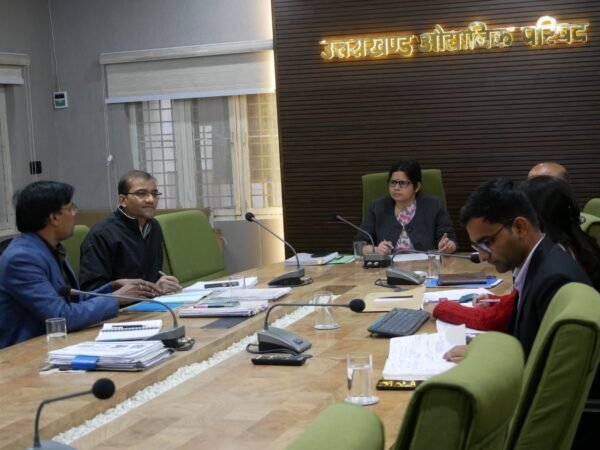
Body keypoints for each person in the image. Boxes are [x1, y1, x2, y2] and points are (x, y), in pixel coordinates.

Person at [0, 181, 154, 349]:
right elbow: (61, 317)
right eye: (71, 208)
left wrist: (111, 289)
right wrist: (115, 299)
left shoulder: (49, 247)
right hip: (26, 352)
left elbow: (72, 301)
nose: (75, 214)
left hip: (55, 343)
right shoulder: (22, 259)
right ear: (54, 217)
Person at [433, 175, 600, 329]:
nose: (482, 256)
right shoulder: (542, 259)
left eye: (487, 242)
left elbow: (531, 348)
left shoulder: (553, 281)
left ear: (520, 228)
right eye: (478, 246)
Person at [79, 170, 180, 292]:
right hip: (119, 303)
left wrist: (160, 283)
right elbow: (91, 289)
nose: (151, 199)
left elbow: (152, 276)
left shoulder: (153, 226)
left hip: (151, 299)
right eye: (141, 193)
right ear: (123, 200)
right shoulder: (102, 234)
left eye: (154, 194)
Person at [357, 160, 457, 255]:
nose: (396, 188)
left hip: (426, 265)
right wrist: (375, 249)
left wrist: (447, 246)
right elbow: (359, 245)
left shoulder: (434, 205)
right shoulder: (377, 207)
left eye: (403, 183)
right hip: (388, 266)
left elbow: (450, 240)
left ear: (416, 187)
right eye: (393, 182)